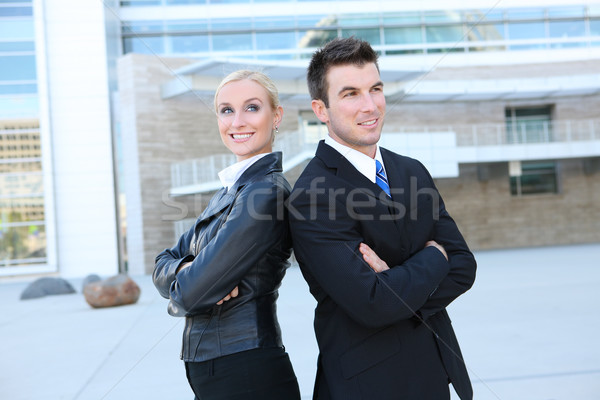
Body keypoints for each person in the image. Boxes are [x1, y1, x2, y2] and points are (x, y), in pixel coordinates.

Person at [288, 37, 477, 400]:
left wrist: (396, 287)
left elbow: (465, 266)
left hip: (434, 374)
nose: (370, 105)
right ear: (321, 109)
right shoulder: (312, 195)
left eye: (375, 88)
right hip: (367, 384)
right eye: (350, 94)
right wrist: (435, 256)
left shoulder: (411, 171)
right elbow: (373, 304)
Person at [153, 70, 300, 400]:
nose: (237, 122)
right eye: (226, 110)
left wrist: (190, 280)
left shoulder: (265, 194)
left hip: (246, 369)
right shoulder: (229, 192)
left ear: (276, 116)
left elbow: (190, 295)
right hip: (216, 369)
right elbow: (163, 261)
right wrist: (186, 271)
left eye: (251, 107)